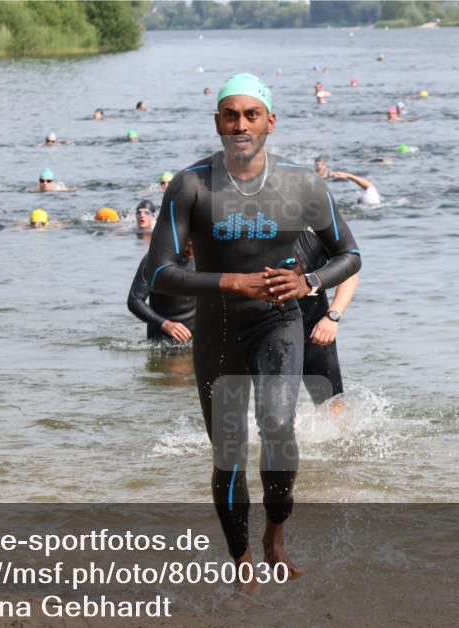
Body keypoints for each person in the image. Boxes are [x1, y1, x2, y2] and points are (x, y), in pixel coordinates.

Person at [145, 73, 361, 589]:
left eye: (251, 114)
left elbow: (349, 256)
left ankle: (276, 539)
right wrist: (233, 281)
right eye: (230, 114)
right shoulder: (191, 185)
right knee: (228, 449)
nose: (240, 124)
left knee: (279, 432)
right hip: (217, 332)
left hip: (278, 325)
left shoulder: (302, 186)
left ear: (270, 122)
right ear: (217, 122)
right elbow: (159, 274)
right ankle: (241, 557)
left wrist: (310, 281)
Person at [294, 230, 360, 409]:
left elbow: (350, 272)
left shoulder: (313, 227)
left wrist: (332, 317)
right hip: (260, 326)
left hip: (313, 326)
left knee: (333, 406)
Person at [128, 240, 196, 343]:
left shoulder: (207, 257)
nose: (191, 250)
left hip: (195, 340)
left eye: (196, 245)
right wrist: (165, 324)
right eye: (187, 245)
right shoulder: (156, 258)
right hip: (163, 339)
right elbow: (134, 300)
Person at [314, 156, 380, 205]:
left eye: (322, 165)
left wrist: (348, 176)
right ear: (314, 167)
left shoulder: (337, 176)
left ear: (326, 166)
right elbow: (370, 186)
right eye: (317, 165)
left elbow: (370, 186)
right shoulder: (313, 179)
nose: (319, 167)